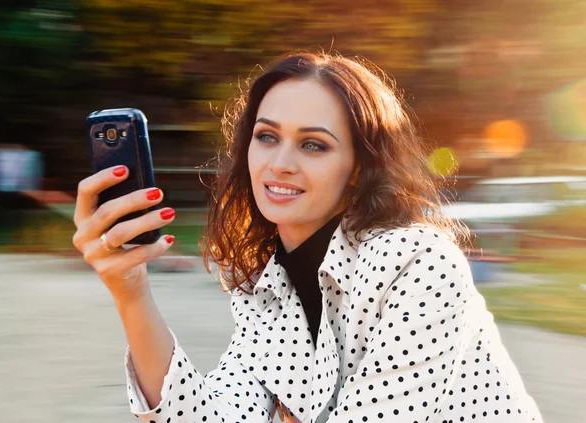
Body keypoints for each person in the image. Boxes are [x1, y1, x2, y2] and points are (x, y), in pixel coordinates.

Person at [72, 52, 543, 423]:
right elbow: (210, 415)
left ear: (359, 167)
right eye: (267, 136)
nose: (280, 163)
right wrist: (131, 293)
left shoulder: (417, 263)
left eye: (313, 144)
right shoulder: (264, 283)